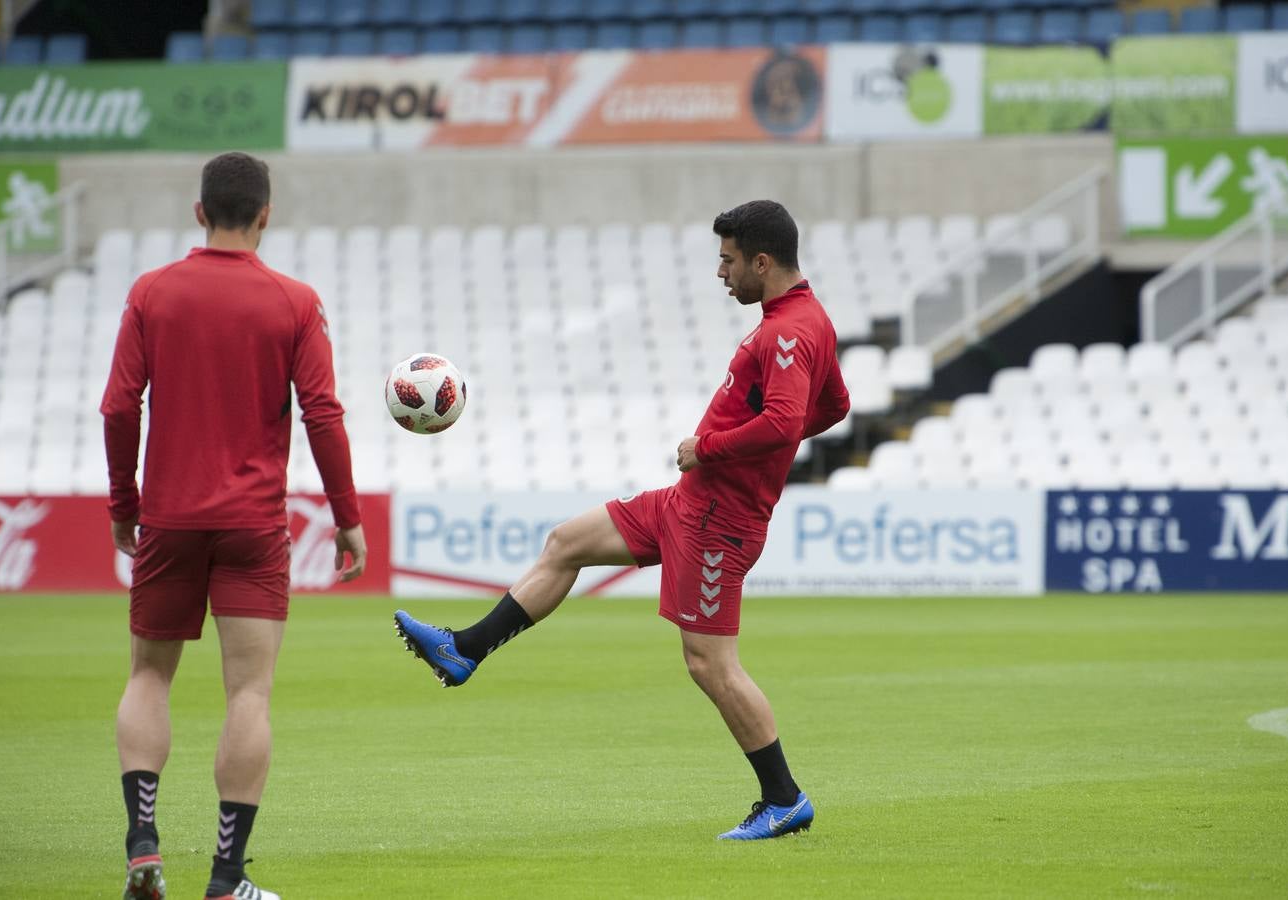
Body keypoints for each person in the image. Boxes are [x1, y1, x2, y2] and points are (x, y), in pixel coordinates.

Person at [394, 199, 850, 840]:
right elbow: (834, 404)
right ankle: (463, 648)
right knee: (565, 543)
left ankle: (784, 799)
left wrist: (711, 449)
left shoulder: (787, 332)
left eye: (728, 261)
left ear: (762, 261)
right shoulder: (808, 320)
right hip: (689, 501)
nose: (721, 273)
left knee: (709, 663)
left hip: (719, 519)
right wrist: (726, 459)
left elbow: (783, 421)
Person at [102, 151, 367, 900]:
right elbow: (323, 414)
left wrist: (124, 504)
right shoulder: (293, 301)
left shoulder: (152, 293)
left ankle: (143, 846)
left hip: (169, 519)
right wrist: (347, 518)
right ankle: (224, 880)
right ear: (264, 215)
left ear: (199, 213)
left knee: (149, 674)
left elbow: (120, 407)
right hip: (253, 525)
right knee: (248, 693)